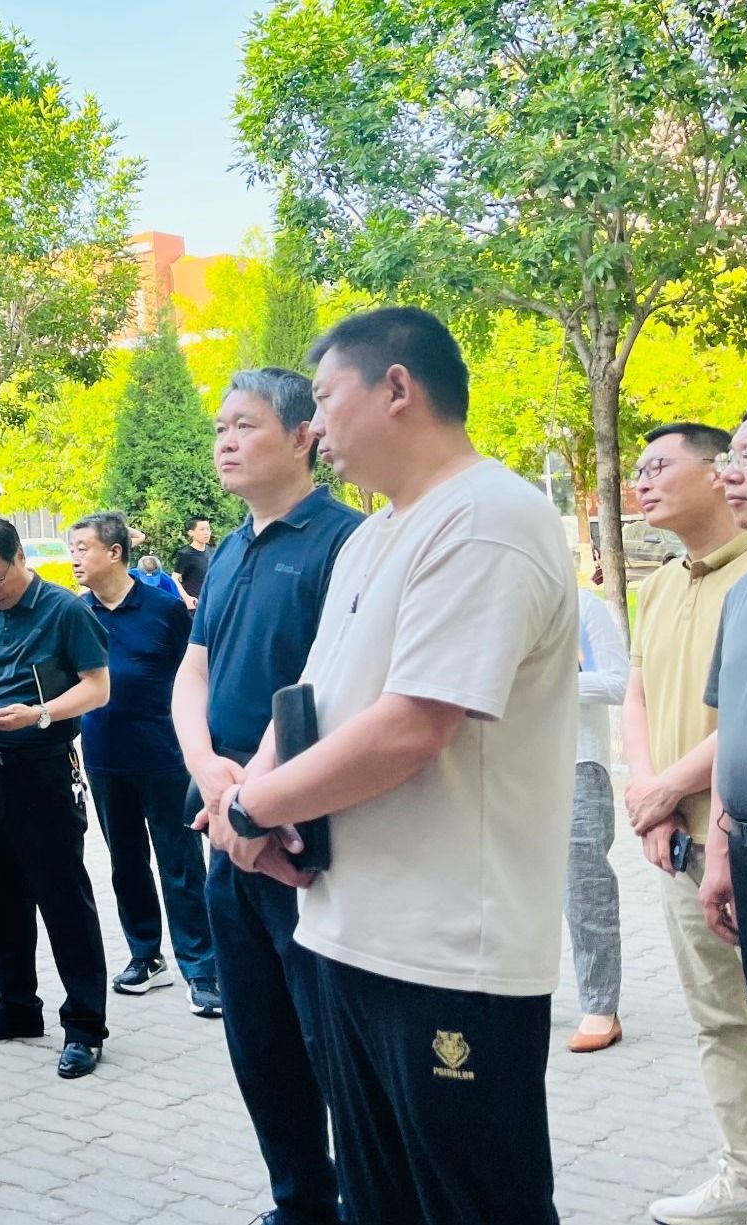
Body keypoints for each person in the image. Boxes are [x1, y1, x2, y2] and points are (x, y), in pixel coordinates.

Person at [200, 307, 575, 1224]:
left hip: (449, 949)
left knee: (475, 1203)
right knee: (379, 1201)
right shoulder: (373, 537)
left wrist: (249, 808)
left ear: (397, 388)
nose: (317, 425)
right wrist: (245, 796)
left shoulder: (487, 518)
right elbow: (310, 697)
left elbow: (414, 725)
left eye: (326, 399)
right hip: (347, 930)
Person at [171, 366, 361, 1225]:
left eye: (244, 425)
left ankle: (366, 1198)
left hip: (307, 834)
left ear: (302, 435)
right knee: (258, 1036)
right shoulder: (229, 551)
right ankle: (300, 1201)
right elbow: (194, 671)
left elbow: (339, 686)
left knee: (332, 1037)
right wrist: (211, 771)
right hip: (227, 822)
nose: (225, 441)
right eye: (220, 427)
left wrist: (257, 796)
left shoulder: (345, 542)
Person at [620, 420, 747, 1224]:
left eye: (659, 465)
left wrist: (665, 786)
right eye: (637, 468)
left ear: (714, 471)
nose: (642, 481)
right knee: (719, 1018)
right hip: (679, 843)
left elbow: (742, 717)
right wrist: (649, 799)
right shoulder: (661, 583)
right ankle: (744, 1173)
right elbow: (635, 695)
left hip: (737, 833)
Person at [0, 516, 113, 1080]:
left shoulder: (65, 610)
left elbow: (98, 687)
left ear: (21, 556)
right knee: (3, 895)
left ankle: (85, 1026)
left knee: (63, 897)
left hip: (45, 766)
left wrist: (40, 714)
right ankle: (16, 1006)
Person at [70, 512, 217, 1018]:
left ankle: (202, 968)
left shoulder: (165, 609)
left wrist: (203, 748)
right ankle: (146, 956)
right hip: (104, 759)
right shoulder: (77, 613)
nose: (75, 558)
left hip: (165, 757)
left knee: (181, 863)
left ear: (115, 552)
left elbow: (197, 678)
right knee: (126, 863)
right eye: (73, 548)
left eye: (84, 548)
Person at [568, 584, 629, 1054]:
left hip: (577, 764)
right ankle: (522, 992)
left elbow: (617, 681)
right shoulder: (495, 605)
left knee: (585, 888)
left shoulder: (583, 606)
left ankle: (600, 1005)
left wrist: (545, 681)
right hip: (510, 769)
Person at [702, 412, 747, 1001]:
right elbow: (730, 730)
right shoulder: (739, 595)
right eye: (730, 459)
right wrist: (720, 854)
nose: (730, 475)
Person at [174, 516, 213, 611]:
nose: (206, 532)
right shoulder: (185, 554)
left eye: (208, 529)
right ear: (191, 533)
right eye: (202, 529)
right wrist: (186, 598)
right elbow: (174, 578)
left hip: (210, 603)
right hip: (195, 605)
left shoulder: (211, 551)